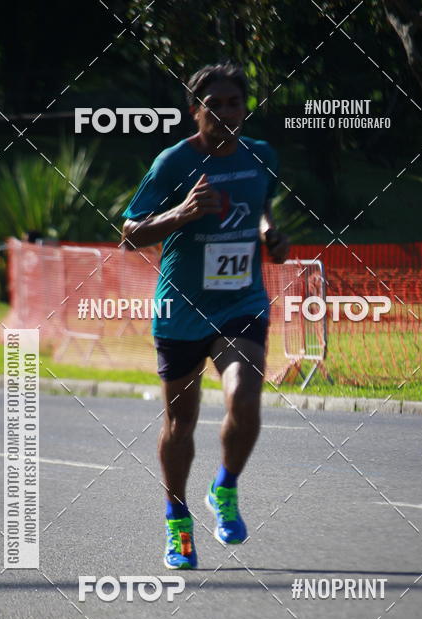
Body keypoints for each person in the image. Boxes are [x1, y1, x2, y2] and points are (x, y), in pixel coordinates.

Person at [121, 63, 289, 569]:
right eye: (213, 105)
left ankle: (226, 486)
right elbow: (129, 233)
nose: (225, 113)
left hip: (241, 301)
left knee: (244, 393)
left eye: (233, 103)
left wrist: (269, 234)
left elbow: (261, 206)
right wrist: (182, 214)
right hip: (181, 308)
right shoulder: (173, 163)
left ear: (245, 108)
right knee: (181, 421)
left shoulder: (262, 157)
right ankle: (177, 522)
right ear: (195, 111)